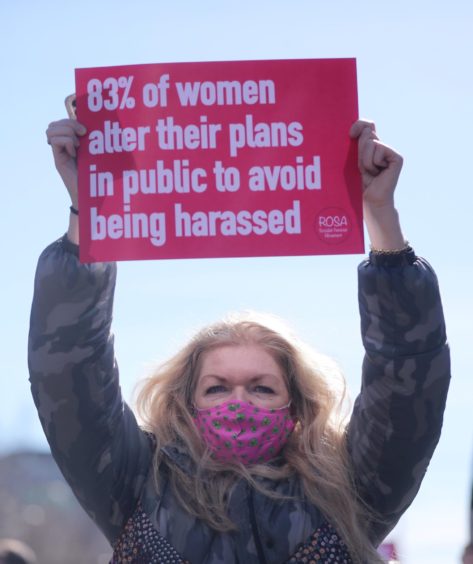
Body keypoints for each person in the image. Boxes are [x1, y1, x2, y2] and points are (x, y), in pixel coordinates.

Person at [28, 114, 451, 564]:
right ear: (187, 403)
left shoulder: (351, 487)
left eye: (262, 386)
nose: (239, 400)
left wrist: (381, 215)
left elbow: (407, 380)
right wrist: (90, 213)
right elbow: (70, 370)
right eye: (217, 387)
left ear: (296, 405)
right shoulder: (135, 484)